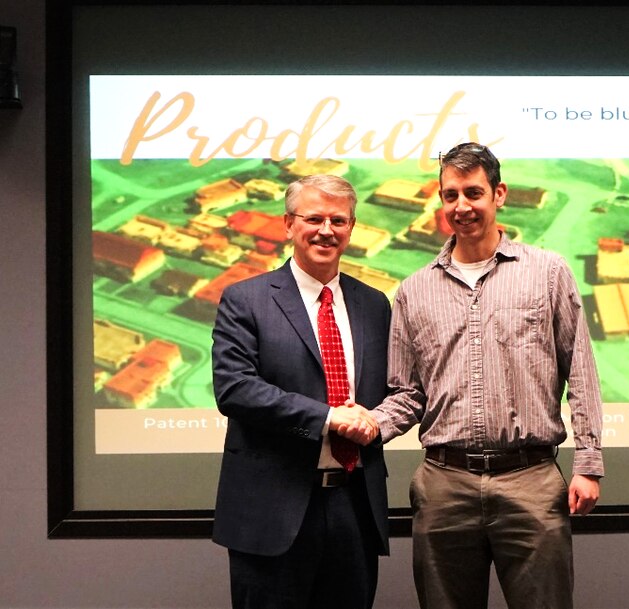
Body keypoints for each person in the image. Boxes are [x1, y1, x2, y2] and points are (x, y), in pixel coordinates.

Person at [345, 142, 604, 609]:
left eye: (473, 192)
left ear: (498, 194)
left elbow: (580, 372)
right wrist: (369, 424)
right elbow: (407, 394)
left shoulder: (548, 273)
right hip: (444, 487)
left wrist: (588, 463)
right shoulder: (414, 291)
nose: (461, 206)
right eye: (450, 195)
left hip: (530, 481)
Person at [210, 173, 391, 609]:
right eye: (314, 218)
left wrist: (379, 419)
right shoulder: (245, 299)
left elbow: (392, 392)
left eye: (339, 220)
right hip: (272, 510)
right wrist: (328, 417)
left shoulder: (374, 304)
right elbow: (234, 388)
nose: (326, 230)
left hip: (354, 506)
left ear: (352, 227)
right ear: (288, 224)